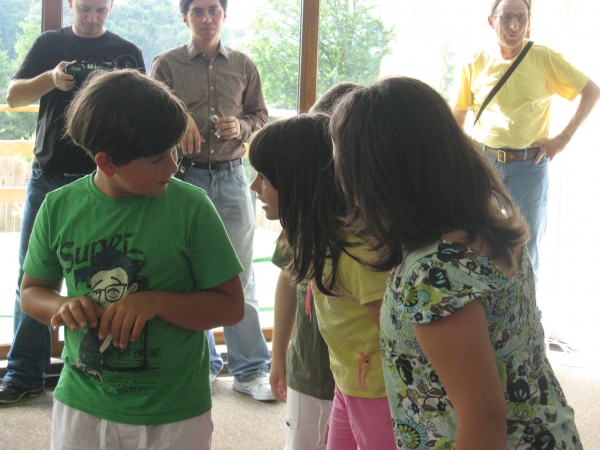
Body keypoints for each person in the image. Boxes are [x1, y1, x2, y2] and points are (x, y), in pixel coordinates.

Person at [330, 76, 582, 449]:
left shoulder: (433, 274)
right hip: (546, 432)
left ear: (375, 173)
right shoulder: (487, 226)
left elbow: (483, 419)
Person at [20, 69, 245, 449]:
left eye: (174, 150)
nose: (173, 166)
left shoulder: (192, 208)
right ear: (107, 163)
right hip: (82, 404)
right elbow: (31, 293)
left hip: (175, 410)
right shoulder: (58, 207)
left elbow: (230, 306)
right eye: (157, 159)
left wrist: (156, 302)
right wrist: (61, 306)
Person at [1, 0, 145, 405]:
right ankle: (23, 373)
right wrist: (51, 78)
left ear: (111, 6)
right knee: (32, 277)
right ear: (70, 4)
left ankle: (103, 366)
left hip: (106, 181)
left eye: (100, 9)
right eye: (85, 8)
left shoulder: (127, 53)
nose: (92, 16)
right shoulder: (50, 44)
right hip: (48, 176)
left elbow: (142, 110)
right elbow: (14, 97)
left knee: (113, 275)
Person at [149, 0, 273, 401]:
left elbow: (261, 116)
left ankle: (250, 370)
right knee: (187, 276)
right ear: (184, 17)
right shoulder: (166, 64)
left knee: (240, 275)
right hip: (184, 176)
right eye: (198, 11)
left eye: (213, 10)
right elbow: (150, 115)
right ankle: (201, 366)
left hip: (233, 177)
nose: (206, 18)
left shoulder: (243, 64)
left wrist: (243, 125)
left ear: (224, 15)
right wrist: (179, 119)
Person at [249, 113, 396, 450]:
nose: (254, 186)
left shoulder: (356, 253)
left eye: (264, 177)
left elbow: (397, 341)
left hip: (381, 397)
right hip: (347, 389)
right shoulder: (310, 240)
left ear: (298, 183)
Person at [452, 0, 600, 276]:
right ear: (491, 21)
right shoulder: (474, 61)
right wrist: (460, 160)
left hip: (529, 168)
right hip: (485, 166)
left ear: (528, 22)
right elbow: (458, 115)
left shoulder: (543, 58)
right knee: (479, 243)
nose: (515, 25)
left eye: (521, 18)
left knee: (526, 250)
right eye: (507, 17)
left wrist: (563, 138)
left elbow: (592, 91)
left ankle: (525, 303)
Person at [268, 82, 360, 450]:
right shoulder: (302, 218)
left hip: (358, 380)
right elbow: (287, 279)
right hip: (308, 370)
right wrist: (278, 355)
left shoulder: (367, 230)